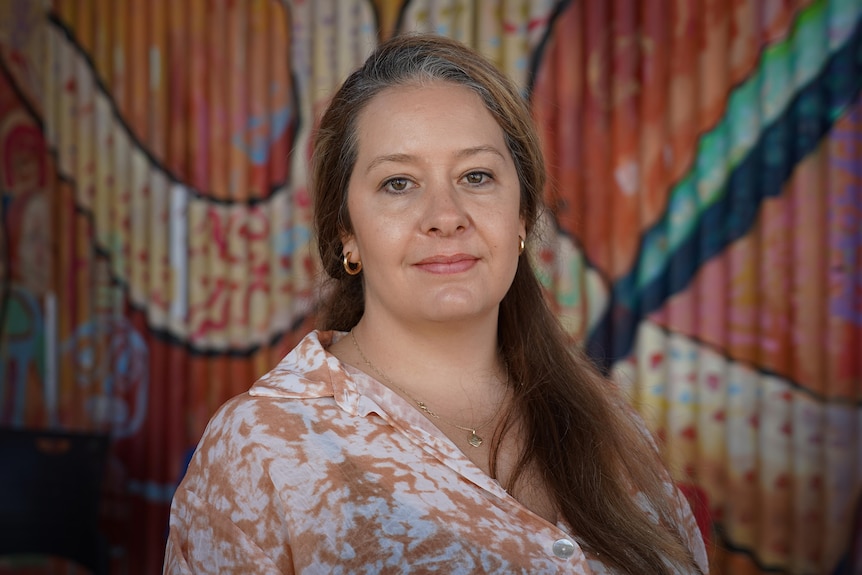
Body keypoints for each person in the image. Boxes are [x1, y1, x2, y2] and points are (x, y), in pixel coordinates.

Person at [164, 33, 709, 574]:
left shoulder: (612, 429)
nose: (445, 215)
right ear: (346, 232)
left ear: (520, 217)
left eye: (476, 176)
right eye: (399, 183)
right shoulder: (264, 447)